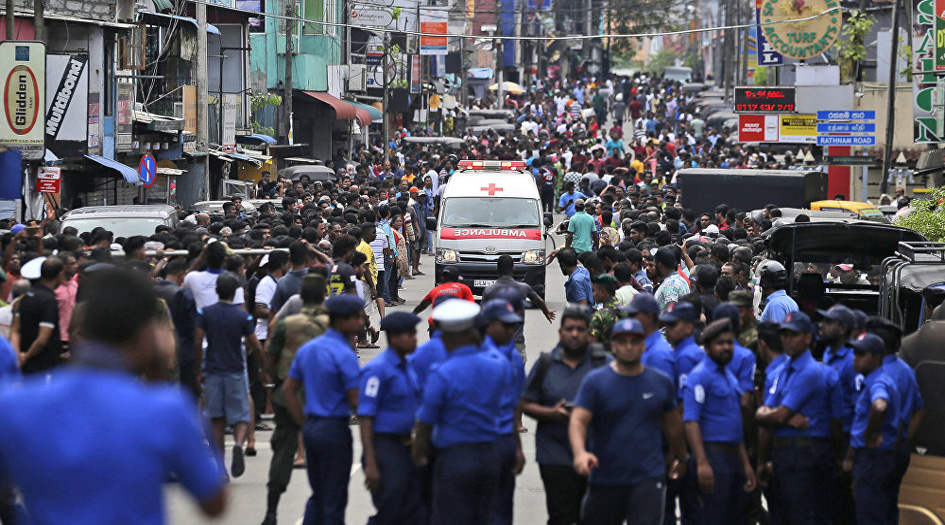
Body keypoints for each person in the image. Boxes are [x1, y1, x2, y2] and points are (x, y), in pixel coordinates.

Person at [0, 269, 227, 522]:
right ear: (146, 335)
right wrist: (159, 372)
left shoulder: (15, 406)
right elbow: (214, 502)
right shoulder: (166, 410)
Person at [570, 317, 688, 525]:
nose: (629, 346)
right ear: (613, 346)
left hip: (647, 477)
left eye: (635, 341)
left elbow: (673, 424)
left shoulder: (660, 383)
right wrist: (580, 453)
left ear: (643, 345)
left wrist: (681, 457)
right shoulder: (596, 382)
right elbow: (578, 420)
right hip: (605, 476)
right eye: (622, 341)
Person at [413, 299, 509, 525]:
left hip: (455, 457)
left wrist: (419, 454)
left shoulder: (443, 373)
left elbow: (426, 421)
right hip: (490, 453)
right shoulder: (498, 366)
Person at [522, 305, 611, 525]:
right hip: (554, 454)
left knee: (593, 514)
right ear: (560, 332)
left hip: (596, 453)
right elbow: (524, 403)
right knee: (561, 514)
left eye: (580, 329)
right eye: (569, 329)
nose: (574, 334)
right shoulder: (545, 364)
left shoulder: (603, 364)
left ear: (589, 333)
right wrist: (551, 413)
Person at [283, 294, 363, 525]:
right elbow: (356, 400)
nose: (361, 322)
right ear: (342, 320)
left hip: (312, 428)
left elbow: (289, 389)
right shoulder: (344, 354)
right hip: (335, 431)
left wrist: (303, 422)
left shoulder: (309, 349)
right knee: (334, 497)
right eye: (357, 317)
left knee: (319, 495)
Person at [260, 274, 329, 525]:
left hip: (286, 395)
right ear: (323, 295)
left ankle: (272, 509)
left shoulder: (285, 325)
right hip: (323, 398)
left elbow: (269, 356)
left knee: (282, 452)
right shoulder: (331, 323)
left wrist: (270, 376)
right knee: (327, 455)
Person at [755, 312, 836, 524]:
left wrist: (774, 415)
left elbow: (777, 414)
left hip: (801, 455)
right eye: (784, 334)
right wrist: (776, 416)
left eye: (793, 335)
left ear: (808, 338)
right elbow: (766, 414)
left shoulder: (810, 371)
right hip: (783, 453)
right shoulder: (782, 370)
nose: (787, 339)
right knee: (781, 515)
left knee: (800, 515)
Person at [681, 319, 756, 524]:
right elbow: (691, 421)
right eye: (720, 343)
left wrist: (746, 464)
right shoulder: (700, 377)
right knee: (713, 517)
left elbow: (735, 423)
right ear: (707, 347)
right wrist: (702, 463)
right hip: (712, 457)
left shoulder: (729, 377)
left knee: (736, 517)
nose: (726, 347)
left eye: (730, 342)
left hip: (733, 458)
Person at [358, 311, 424, 524]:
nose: (415, 338)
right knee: (390, 507)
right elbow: (366, 416)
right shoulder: (377, 371)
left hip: (406, 446)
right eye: (410, 334)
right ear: (394, 338)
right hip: (384, 448)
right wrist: (370, 462)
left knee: (413, 508)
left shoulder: (410, 367)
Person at [194, 272, 262, 479]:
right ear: (235, 293)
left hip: (213, 370)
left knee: (216, 419)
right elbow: (254, 343)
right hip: (235, 369)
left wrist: (198, 369)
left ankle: (220, 467)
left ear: (216, 291)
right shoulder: (242, 316)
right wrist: (264, 366)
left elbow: (198, 341)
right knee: (240, 416)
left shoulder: (205, 313)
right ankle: (239, 444)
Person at [480, 299, 527, 524]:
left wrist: (517, 447)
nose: (511, 330)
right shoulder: (472, 353)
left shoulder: (514, 359)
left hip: (503, 441)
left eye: (513, 325)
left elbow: (514, 404)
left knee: (502, 507)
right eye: (505, 325)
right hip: (474, 442)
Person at [846, 333, 900, 525]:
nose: (855, 357)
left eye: (861, 353)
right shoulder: (871, 380)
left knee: (870, 516)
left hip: (873, 459)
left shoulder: (878, 382)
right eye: (854, 353)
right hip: (872, 459)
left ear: (877, 357)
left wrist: (869, 435)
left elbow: (880, 406)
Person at [16, 256, 65, 374]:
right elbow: (42, 339)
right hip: (42, 364)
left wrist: (19, 356)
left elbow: (15, 330)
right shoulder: (49, 301)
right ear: (59, 274)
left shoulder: (25, 297)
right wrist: (27, 356)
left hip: (24, 362)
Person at [660, 302, 703, 396]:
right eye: (666, 325)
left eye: (672, 325)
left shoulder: (685, 357)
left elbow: (684, 398)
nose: (667, 330)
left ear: (688, 328)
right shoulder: (687, 351)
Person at [589, 274, 625, 347]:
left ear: (602, 292)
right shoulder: (626, 310)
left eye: (594, 290)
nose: (593, 294)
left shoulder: (599, 316)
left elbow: (592, 345)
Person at [653, 247, 689, 312]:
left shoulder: (669, 284)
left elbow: (671, 311)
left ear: (660, 265)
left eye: (655, 263)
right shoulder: (680, 279)